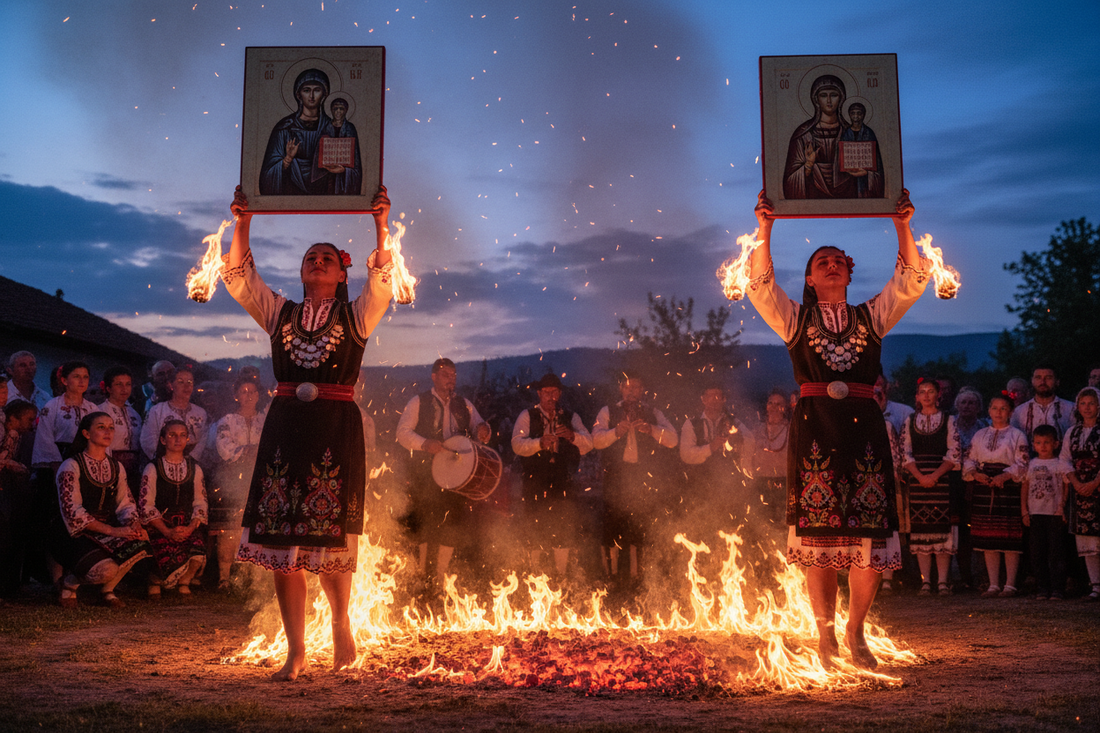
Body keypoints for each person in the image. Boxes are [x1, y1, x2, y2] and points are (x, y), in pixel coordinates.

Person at [745, 188, 928, 668]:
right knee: (819, 542)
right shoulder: (796, 319)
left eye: (837, 260)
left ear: (848, 272)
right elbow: (759, 285)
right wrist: (765, 227)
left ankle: (855, 632)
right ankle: (824, 637)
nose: (830, 265)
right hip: (815, 437)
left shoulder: (872, 315)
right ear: (809, 277)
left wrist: (901, 223)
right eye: (821, 261)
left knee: (868, 541)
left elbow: (911, 280)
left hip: (865, 435)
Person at [224, 183, 393, 680]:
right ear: (300, 273)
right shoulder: (281, 313)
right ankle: (296, 651)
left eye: (327, 258)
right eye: (309, 258)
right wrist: (243, 221)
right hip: (286, 429)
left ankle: (341, 625)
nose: (317, 262)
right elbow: (239, 279)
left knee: (330, 542)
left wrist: (381, 223)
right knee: (282, 547)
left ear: (342, 273)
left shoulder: (356, 314)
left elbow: (383, 278)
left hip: (335, 430)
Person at [396, 358, 492, 587]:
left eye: (454, 375)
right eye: (446, 374)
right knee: (425, 523)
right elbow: (402, 433)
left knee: (452, 524)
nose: (452, 379)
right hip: (425, 474)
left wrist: (483, 430)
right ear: (434, 376)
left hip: (457, 476)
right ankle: (421, 577)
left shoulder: (464, 403)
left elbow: (480, 427)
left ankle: (439, 578)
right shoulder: (419, 401)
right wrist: (424, 443)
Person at [52, 412, 150, 608]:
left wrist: (134, 524)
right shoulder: (71, 466)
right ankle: (69, 583)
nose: (108, 431)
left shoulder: (116, 467)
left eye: (111, 427)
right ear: (86, 434)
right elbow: (73, 513)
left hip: (106, 528)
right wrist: (114, 531)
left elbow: (126, 503)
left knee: (141, 542)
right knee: (105, 570)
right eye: (101, 427)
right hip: (76, 535)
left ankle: (107, 590)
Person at [592, 373, 678, 586]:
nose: (631, 392)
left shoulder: (652, 412)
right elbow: (596, 441)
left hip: (643, 478)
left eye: (636, 387)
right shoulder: (607, 411)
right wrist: (615, 432)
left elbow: (673, 440)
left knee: (639, 526)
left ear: (642, 390)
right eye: (627, 387)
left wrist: (651, 429)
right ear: (621, 388)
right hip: (615, 478)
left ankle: (636, 577)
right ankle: (610, 578)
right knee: (611, 525)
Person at [511, 373, 594, 577]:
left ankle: (561, 575)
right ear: (539, 394)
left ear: (560, 393)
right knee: (534, 524)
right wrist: (539, 443)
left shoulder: (570, 416)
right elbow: (516, 445)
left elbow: (589, 443)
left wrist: (572, 436)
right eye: (546, 392)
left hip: (562, 478)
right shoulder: (527, 415)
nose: (551, 396)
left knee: (563, 524)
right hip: (534, 478)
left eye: (555, 392)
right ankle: (535, 576)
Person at [963, 394, 1029, 598]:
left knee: (1009, 537)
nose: (998, 412)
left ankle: (1010, 584)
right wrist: (975, 474)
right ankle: (993, 584)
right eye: (995, 408)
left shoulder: (1017, 435)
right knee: (988, 538)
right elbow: (969, 459)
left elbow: (1023, 462)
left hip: (1007, 488)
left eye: (1003, 409)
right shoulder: (980, 434)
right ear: (989, 411)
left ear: (1010, 412)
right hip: (984, 485)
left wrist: (1006, 475)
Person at [901, 379, 962, 596]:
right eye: (922, 392)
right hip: (917, 482)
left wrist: (934, 476)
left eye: (931, 391)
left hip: (942, 481)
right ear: (917, 396)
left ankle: (943, 582)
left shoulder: (949, 420)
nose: (927, 395)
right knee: (921, 532)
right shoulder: (910, 421)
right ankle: (926, 582)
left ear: (938, 395)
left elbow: (954, 453)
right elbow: (905, 453)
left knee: (943, 532)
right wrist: (919, 477)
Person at [259, 69, 362, 196]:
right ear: (298, 95)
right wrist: (287, 160)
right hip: (292, 192)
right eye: (306, 90)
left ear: (324, 94)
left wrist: (343, 171)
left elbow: (355, 170)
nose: (312, 96)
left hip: (326, 192)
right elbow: (268, 175)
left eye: (317, 90)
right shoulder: (285, 128)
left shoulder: (337, 128)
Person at [139, 420, 208, 597]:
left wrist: (190, 528)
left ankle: (184, 581)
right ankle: (155, 579)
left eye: (182, 435)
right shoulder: (153, 467)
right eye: (172, 435)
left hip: (185, 524)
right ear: (163, 439)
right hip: (160, 525)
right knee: (164, 555)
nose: (178, 439)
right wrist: (167, 531)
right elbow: (146, 504)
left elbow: (200, 502)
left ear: (187, 439)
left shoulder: (195, 468)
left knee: (198, 551)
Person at [209, 376, 265, 590]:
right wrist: (249, 451)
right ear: (236, 395)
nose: (248, 395)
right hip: (232, 477)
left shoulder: (265, 420)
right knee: (229, 527)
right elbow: (224, 446)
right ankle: (224, 577)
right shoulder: (228, 420)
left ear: (258, 396)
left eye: (252, 391)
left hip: (259, 478)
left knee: (256, 527)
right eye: (243, 391)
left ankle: (256, 578)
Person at [679, 383, 755, 532]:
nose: (714, 400)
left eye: (718, 396)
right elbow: (686, 454)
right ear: (703, 399)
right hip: (699, 487)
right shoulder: (691, 423)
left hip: (728, 487)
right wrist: (711, 447)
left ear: (723, 399)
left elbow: (750, 441)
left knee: (728, 529)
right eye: (710, 396)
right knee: (700, 529)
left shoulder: (734, 422)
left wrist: (737, 441)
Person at [783, 75, 860, 200]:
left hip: (849, 195)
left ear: (841, 98)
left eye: (834, 95)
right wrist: (808, 166)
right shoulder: (804, 134)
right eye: (823, 95)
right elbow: (790, 180)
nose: (829, 100)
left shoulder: (853, 133)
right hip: (814, 193)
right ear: (816, 99)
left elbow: (872, 174)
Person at [1060, 387, 1100, 601]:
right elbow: (1065, 459)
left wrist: (1095, 482)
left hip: (1098, 487)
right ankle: (1095, 586)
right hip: (1080, 491)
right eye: (1083, 403)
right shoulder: (1072, 432)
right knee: (1088, 540)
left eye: (1091, 403)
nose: (1087, 408)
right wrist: (1075, 482)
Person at [1022, 425, 1069, 600]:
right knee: (1037, 552)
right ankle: (1042, 587)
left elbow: (1065, 485)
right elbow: (1025, 486)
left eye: (1047, 442)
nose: (1043, 446)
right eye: (1039, 442)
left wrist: (1062, 506)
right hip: (1036, 513)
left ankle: (1057, 588)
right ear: (1033, 444)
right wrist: (1024, 510)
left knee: (1056, 552)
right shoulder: (1031, 464)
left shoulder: (1059, 464)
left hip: (1054, 514)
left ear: (1056, 443)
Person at [0, 399, 36, 597]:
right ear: (13, 418)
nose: (32, 424)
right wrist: (17, 466)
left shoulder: (19, 436)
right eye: (28, 419)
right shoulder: (9, 435)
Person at [140, 367, 208, 462]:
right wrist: (165, 459)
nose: (186, 386)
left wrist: (191, 459)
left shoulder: (201, 413)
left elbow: (203, 440)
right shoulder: (157, 410)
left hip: (191, 463)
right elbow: (147, 439)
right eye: (181, 382)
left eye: (190, 382)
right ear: (171, 385)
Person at [750, 388, 791, 524]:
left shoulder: (791, 429)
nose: (774, 407)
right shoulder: (756, 428)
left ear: (785, 408)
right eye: (771, 403)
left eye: (779, 404)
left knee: (782, 524)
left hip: (784, 484)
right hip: (760, 483)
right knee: (760, 523)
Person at [97, 366, 142, 487]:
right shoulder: (100, 411)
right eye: (119, 384)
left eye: (128, 384)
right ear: (108, 388)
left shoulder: (135, 414)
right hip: (108, 468)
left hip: (133, 470)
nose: (124, 389)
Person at [1011, 366, 1074, 443]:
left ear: (1057, 381)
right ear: (1032, 381)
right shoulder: (1019, 412)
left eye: (1048, 378)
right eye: (1038, 378)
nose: (1043, 382)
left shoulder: (1071, 408)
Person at [837, 102, 884, 198]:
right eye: (853, 113)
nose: (856, 116)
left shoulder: (869, 133)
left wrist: (867, 172)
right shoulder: (845, 133)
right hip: (848, 178)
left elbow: (876, 160)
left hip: (865, 178)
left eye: (859, 113)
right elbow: (840, 156)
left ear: (863, 115)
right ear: (849, 115)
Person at [873, 371, 913, 436]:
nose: (875, 389)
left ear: (887, 387)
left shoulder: (905, 412)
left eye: (878, 385)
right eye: (871, 385)